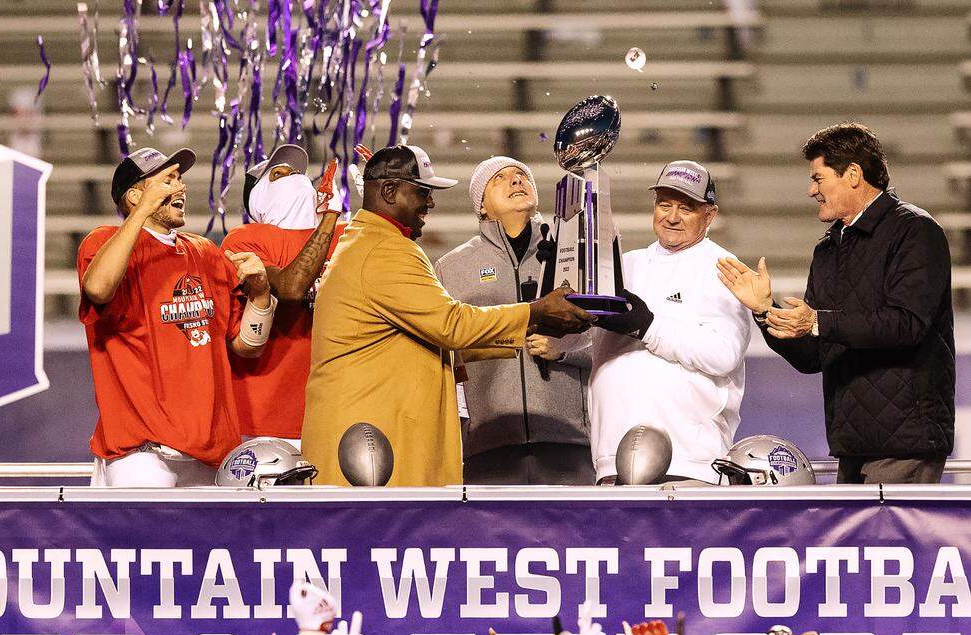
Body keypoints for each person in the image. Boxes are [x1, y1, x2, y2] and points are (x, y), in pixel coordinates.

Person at [301, 145, 594, 487]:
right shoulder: (387, 249)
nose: (430, 203)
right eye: (422, 192)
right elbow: (449, 325)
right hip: (372, 446)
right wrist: (535, 312)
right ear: (389, 191)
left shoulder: (362, 241)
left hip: (368, 439)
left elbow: (429, 339)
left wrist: (520, 338)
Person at [718, 123, 954, 484]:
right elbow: (814, 356)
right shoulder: (829, 248)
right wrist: (765, 311)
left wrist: (818, 322)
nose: (811, 190)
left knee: (886, 541)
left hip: (905, 443)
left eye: (818, 178)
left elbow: (907, 324)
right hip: (852, 444)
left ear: (854, 175)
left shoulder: (915, 231)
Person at [77, 147, 274, 487]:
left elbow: (246, 345)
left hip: (212, 451)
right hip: (141, 454)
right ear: (135, 194)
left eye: (179, 179)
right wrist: (139, 215)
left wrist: (261, 296)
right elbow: (98, 288)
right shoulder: (104, 242)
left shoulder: (205, 252)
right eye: (166, 181)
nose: (180, 187)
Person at [588, 160, 752, 484]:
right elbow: (586, 341)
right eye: (665, 204)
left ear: (710, 214)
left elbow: (722, 353)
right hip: (611, 460)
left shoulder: (725, 270)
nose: (672, 216)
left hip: (688, 462)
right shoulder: (623, 265)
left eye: (686, 207)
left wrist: (648, 325)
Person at [436, 156, 595, 484]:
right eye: (500, 179)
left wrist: (563, 349)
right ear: (481, 206)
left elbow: (607, 342)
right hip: (489, 443)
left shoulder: (574, 253)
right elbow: (447, 353)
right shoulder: (451, 268)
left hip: (568, 439)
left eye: (522, 175)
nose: (516, 181)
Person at [220, 144, 345, 447]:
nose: (295, 179)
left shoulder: (347, 233)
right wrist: (329, 216)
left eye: (299, 174)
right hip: (263, 416)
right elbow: (291, 289)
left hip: (334, 413)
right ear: (258, 195)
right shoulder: (245, 239)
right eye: (279, 174)